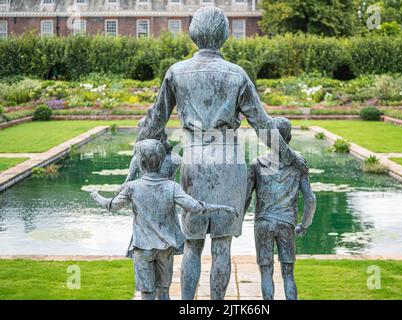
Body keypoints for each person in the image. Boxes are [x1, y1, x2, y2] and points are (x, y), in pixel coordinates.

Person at [122, 6, 309, 300]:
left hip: (195, 160)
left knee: (192, 246)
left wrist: (138, 162)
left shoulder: (176, 72)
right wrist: (288, 156)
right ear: (223, 35)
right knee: (222, 246)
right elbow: (263, 126)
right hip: (229, 161)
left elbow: (155, 122)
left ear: (194, 33)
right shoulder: (236, 74)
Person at [90, 139, 238, 300]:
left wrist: (96, 196)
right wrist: (222, 207)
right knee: (164, 291)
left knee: (147, 293)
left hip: (142, 247)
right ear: (161, 161)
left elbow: (112, 206)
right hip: (166, 248)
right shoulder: (171, 187)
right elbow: (195, 207)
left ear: (140, 162)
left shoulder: (132, 187)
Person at [245, 118, 316, 300]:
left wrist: (236, 224)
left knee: (266, 272)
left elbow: (245, 197)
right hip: (287, 223)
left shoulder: (257, 163)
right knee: (288, 274)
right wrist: (304, 224)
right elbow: (310, 200)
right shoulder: (298, 164)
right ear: (289, 137)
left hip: (263, 223)